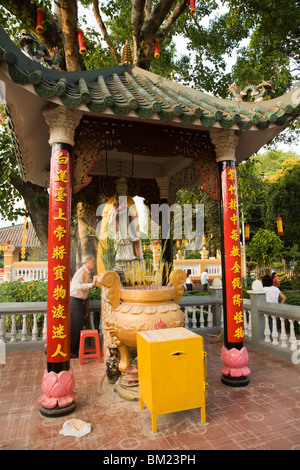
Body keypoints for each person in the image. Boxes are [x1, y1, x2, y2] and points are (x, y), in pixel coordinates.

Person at [70, 254, 97, 358]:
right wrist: (91, 285)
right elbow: (76, 286)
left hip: (80, 301)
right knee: (75, 327)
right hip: (75, 300)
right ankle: (72, 351)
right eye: (93, 261)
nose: (94, 264)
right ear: (88, 261)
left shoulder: (87, 272)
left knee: (79, 326)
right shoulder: (82, 271)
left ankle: (78, 351)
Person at [262, 274, 286, 341]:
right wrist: (279, 306)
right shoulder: (276, 289)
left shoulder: (263, 290)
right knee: (273, 325)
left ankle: (270, 339)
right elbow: (284, 298)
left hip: (266, 309)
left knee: (267, 325)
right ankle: (274, 338)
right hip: (275, 309)